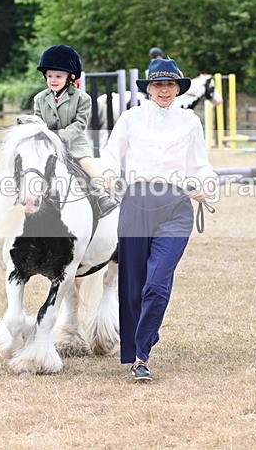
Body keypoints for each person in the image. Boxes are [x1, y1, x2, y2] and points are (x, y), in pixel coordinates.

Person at [99, 58, 218, 382]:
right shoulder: (131, 118)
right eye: (158, 85)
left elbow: (200, 164)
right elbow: (110, 153)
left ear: (178, 89)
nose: (164, 90)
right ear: (149, 89)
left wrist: (207, 183)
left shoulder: (190, 122)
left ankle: (142, 356)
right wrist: (109, 171)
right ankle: (139, 345)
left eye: (170, 85)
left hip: (176, 207)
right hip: (136, 204)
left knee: (157, 282)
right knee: (134, 283)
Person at [32, 44, 117, 217]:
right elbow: (37, 121)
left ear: (70, 77)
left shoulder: (82, 98)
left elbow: (80, 123)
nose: (53, 80)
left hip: (75, 144)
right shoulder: (40, 98)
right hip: (47, 145)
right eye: (49, 76)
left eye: (58, 76)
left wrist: (61, 136)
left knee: (89, 165)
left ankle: (102, 196)